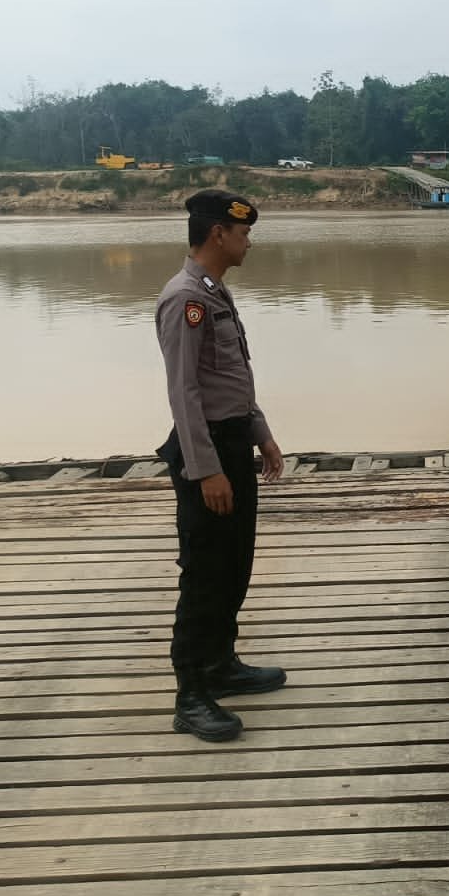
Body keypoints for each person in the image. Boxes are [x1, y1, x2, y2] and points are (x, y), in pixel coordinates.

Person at [154, 189, 287, 741]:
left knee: (235, 565)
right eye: (243, 233)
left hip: (233, 445)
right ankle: (190, 694)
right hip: (204, 452)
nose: (248, 242)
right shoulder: (184, 298)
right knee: (205, 574)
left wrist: (261, 434)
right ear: (218, 234)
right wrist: (205, 470)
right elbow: (184, 392)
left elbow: (233, 377)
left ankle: (220, 664)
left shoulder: (214, 291)